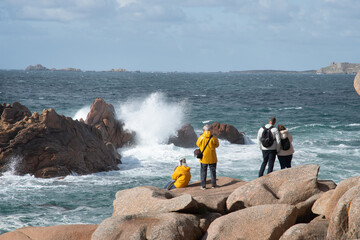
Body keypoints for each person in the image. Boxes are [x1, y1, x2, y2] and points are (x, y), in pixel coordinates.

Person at [196, 124, 219, 190]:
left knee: (203, 172)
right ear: (210, 130)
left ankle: (203, 186)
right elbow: (217, 145)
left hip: (203, 157)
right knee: (213, 171)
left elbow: (197, 144)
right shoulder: (214, 137)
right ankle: (213, 185)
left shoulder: (201, 137)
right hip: (212, 157)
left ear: (204, 130)